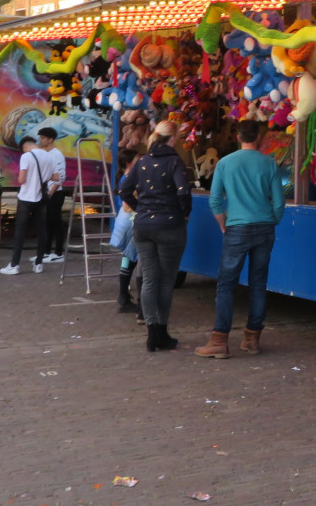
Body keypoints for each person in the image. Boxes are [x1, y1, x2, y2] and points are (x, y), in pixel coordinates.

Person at [196, 119, 285, 360]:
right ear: (258, 138)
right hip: (265, 227)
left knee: (226, 285)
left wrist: (223, 223)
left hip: (236, 228)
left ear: (238, 137)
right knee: (258, 284)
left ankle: (220, 340)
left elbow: (214, 200)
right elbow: (279, 202)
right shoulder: (269, 163)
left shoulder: (225, 163)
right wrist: (272, 219)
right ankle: (253, 339)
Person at [119, 120, 192, 352]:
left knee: (150, 279)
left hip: (143, 227)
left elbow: (123, 189)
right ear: (173, 138)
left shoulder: (141, 161)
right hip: (170, 226)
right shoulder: (175, 162)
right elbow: (183, 192)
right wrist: (184, 214)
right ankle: (162, 330)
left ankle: (153, 333)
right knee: (166, 279)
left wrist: (140, 208)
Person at [1, 136, 49, 275]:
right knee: (41, 231)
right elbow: (55, 176)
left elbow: (21, 179)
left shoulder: (26, 157)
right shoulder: (48, 157)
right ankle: (39, 264)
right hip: (41, 198)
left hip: (26, 198)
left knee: (20, 232)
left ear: (25, 147)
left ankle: (14, 265)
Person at [111, 147, 143, 320]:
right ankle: (124, 298)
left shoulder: (125, 177)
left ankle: (123, 296)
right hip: (130, 220)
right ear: (130, 163)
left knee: (127, 259)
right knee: (131, 260)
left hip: (124, 220)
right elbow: (127, 205)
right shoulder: (130, 179)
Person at [36, 127, 69, 264]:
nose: (41, 140)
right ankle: (46, 252)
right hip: (47, 193)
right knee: (47, 223)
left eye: (43, 138)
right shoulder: (45, 153)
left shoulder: (57, 154)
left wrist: (50, 193)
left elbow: (61, 177)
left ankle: (59, 253)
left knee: (56, 222)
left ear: (50, 139)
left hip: (55, 194)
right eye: (41, 137)